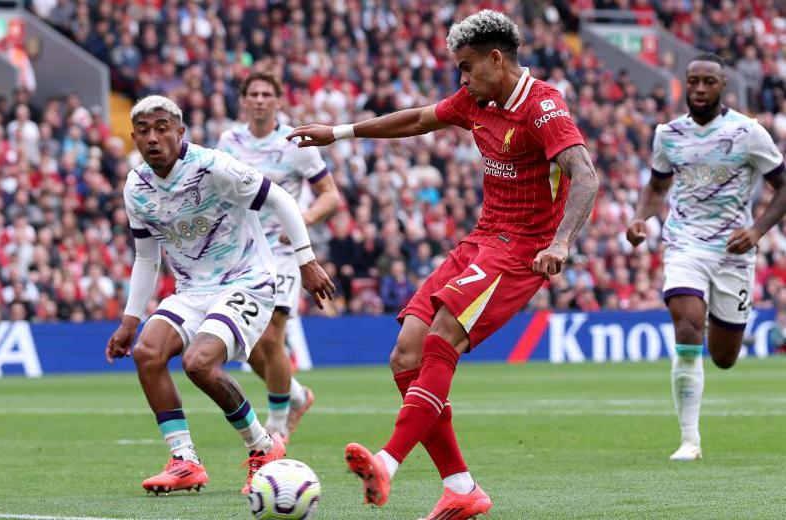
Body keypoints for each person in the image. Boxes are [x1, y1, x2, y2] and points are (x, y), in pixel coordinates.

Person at [287, 10, 599, 520]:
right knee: (405, 353)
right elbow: (417, 119)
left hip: (521, 249)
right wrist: (340, 132)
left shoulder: (542, 107)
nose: (462, 78)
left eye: (467, 67)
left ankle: (388, 461)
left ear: (496, 60)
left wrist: (562, 243)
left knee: (442, 337)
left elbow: (585, 177)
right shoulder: (477, 100)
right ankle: (461, 488)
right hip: (479, 240)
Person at [104, 95, 334, 496]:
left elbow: (279, 198)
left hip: (247, 280)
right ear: (134, 138)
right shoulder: (136, 186)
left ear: (181, 132)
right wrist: (130, 319)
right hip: (193, 290)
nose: (153, 138)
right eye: (143, 131)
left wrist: (306, 261)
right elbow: (145, 256)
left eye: (162, 128)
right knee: (147, 353)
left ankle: (264, 448)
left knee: (198, 363)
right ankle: (184, 461)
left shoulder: (213, 166)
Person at [626, 53, 786, 462]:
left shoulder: (748, 132)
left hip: (734, 252)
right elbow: (658, 188)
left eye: (707, 82)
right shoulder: (668, 134)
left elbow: (782, 187)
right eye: (692, 81)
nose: (698, 89)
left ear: (722, 86)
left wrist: (757, 230)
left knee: (724, 357)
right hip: (685, 244)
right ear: (685, 84)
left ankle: (717, 314)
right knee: (686, 326)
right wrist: (641, 217)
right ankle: (690, 440)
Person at [217, 72, 340, 441]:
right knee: (245, 343)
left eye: (266, 93)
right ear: (243, 100)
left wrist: (302, 219)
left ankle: (276, 427)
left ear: (277, 100)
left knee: (272, 336)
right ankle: (297, 395)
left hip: (284, 253)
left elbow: (330, 195)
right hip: (242, 253)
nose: (258, 99)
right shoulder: (228, 141)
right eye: (252, 93)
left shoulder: (294, 143)